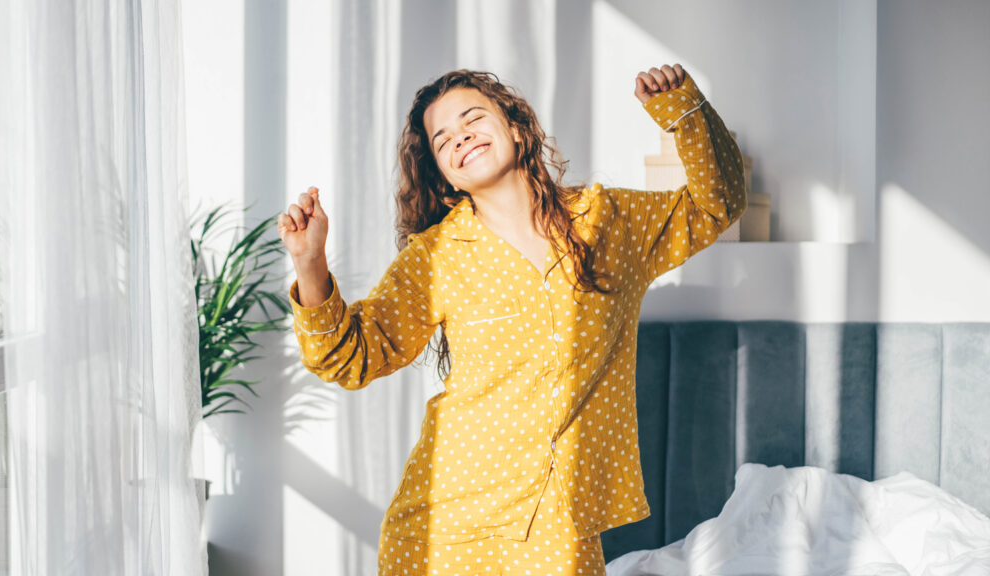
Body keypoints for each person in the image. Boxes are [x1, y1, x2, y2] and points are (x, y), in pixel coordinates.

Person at [279, 63, 746, 575]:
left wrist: (684, 108)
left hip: (559, 527)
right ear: (442, 173)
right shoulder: (436, 257)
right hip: (443, 526)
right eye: (443, 139)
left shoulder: (608, 220)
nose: (461, 138)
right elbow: (350, 359)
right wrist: (310, 263)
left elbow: (716, 205)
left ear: (516, 127)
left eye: (472, 119)